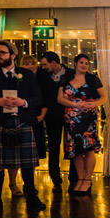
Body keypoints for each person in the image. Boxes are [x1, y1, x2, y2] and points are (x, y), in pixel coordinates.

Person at [0, 40, 46, 213]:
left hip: (22, 121)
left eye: (2, 53)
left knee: (28, 164)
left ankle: (32, 196)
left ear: (13, 55)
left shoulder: (26, 74)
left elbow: (38, 98)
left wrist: (24, 102)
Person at [57, 53, 105, 195]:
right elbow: (59, 98)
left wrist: (95, 103)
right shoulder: (65, 79)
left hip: (88, 119)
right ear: (75, 64)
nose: (84, 65)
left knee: (88, 149)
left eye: (86, 63)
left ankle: (87, 180)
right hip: (71, 120)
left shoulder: (92, 79)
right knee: (76, 151)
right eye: (81, 63)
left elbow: (104, 97)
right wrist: (74, 104)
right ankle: (80, 179)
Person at [5, 54, 48, 198]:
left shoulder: (42, 79)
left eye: (32, 63)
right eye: (26, 63)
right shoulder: (15, 78)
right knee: (13, 155)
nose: (30, 65)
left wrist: (41, 116)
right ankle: (12, 183)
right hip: (18, 119)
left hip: (36, 120)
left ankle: (29, 186)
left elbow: (45, 100)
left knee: (30, 157)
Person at [38, 51, 76, 191]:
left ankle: (74, 179)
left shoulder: (72, 73)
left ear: (54, 62)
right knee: (53, 147)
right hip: (52, 116)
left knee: (72, 146)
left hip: (70, 115)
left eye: (45, 64)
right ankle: (56, 180)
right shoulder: (42, 76)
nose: (43, 67)